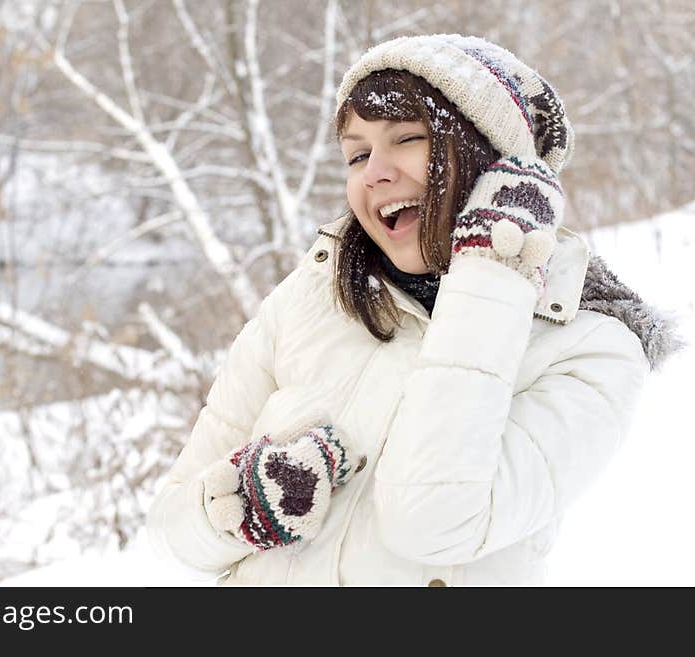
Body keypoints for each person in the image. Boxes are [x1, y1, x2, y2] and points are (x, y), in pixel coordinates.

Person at [146, 34, 684, 586]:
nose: (374, 172)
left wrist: (492, 272)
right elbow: (167, 537)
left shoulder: (592, 346)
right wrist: (236, 507)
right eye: (357, 154)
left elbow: (431, 522)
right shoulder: (308, 299)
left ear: (494, 169)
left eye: (407, 138)